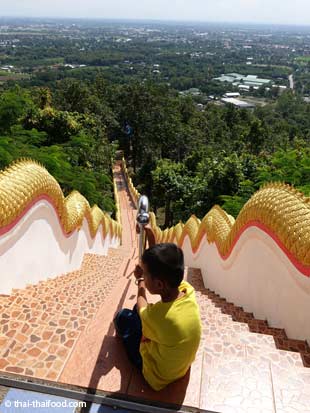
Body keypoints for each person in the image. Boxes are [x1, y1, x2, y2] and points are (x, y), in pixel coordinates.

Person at [113, 242, 202, 391]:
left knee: (122, 317)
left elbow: (141, 303)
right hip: (181, 367)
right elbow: (160, 265)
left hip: (157, 375)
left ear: (160, 284)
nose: (144, 275)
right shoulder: (188, 290)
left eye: (146, 274)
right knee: (138, 311)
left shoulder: (159, 317)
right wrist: (149, 235)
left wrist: (140, 281)